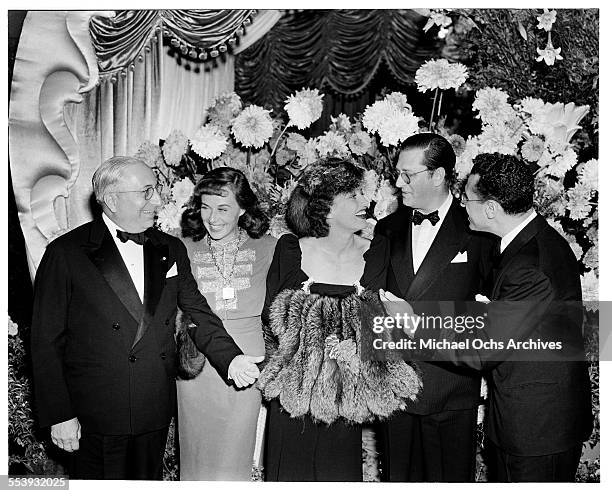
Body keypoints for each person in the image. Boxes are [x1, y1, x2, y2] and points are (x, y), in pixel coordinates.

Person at [30, 156, 263, 480]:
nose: (157, 199)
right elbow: (45, 340)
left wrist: (232, 359)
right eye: (147, 191)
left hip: (152, 408)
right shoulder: (66, 253)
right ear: (111, 200)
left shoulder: (170, 248)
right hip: (93, 416)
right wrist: (60, 414)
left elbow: (198, 312)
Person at [258, 158, 421, 482]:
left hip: (347, 407)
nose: (366, 202)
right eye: (354, 196)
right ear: (326, 206)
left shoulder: (379, 250)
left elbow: (389, 328)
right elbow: (271, 323)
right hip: (292, 405)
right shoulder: (289, 249)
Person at [433, 152, 592, 481]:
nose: (462, 204)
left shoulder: (527, 265)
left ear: (491, 208)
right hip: (533, 419)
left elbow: (482, 353)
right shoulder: (531, 241)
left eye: (467, 198)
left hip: (536, 431)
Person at [374, 133, 495, 482]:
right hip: (395, 388)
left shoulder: (479, 230)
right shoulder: (386, 228)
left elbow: (492, 310)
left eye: (408, 175)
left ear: (439, 175)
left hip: (452, 390)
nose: (398, 183)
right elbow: (370, 297)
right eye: (398, 173)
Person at [176, 168, 277, 480]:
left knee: (233, 462)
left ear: (243, 208)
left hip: (247, 365)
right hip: (197, 365)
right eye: (206, 208)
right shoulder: (184, 247)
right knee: (195, 459)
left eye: (223, 208)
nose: (213, 218)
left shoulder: (270, 248)